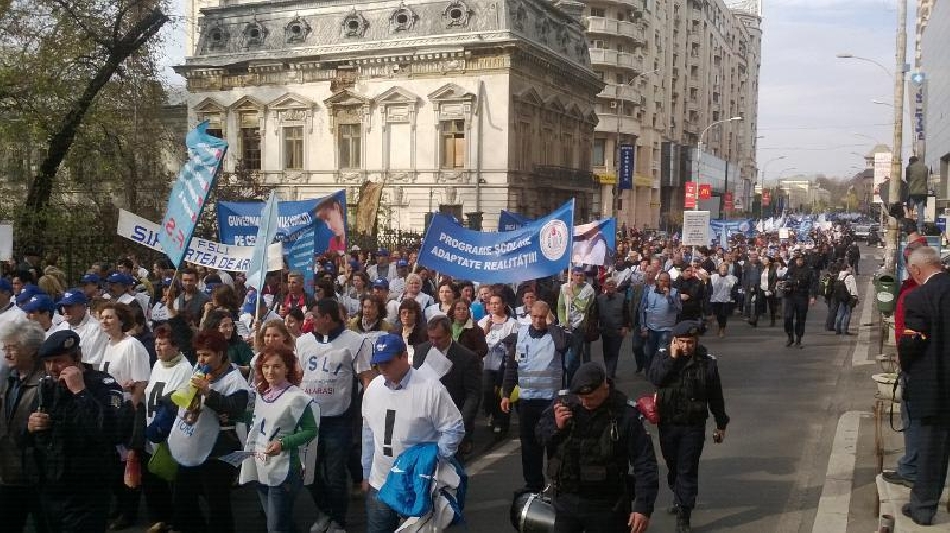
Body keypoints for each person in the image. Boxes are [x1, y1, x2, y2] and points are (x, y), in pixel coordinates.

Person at [360, 333, 465, 533]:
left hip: (416, 486)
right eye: (378, 363)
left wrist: (432, 463)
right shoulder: (373, 388)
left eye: (388, 362)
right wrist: (366, 473)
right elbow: (368, 431)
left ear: (403, 357)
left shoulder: (430, 388)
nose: (382, 368)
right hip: (380, 483)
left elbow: (454, 427)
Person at [538, 362, 659, 533]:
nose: (585, 402)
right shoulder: (564, 405)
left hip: (607, 506)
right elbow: (539, 437)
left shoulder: (625, 415)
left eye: (591, 397)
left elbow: (645, 463)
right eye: (581, 398)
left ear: (605, 387)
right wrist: (556, 427)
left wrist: (643, 507)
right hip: (567, 501)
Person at [29, 330, 124, 533]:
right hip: (52, 488)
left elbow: (110, 431)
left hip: (86, 491)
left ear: (77, 357)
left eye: (59, 361)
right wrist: (31, 426)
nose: (53, 368)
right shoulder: (47, 387)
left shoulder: (102, 385)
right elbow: (34, 437)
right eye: (48, 362)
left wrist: (80, 392)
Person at [297, 299, 374, 533]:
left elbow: (367, 378)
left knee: (335, 474)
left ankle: (338, 522)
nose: (310, 320)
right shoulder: (302, 342)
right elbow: (297, 375)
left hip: (338, 420)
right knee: (308, 472)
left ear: (327, 319)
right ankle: (325, 511)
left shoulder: (356, 342)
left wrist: (370, 413)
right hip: (308, 419)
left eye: (315, 316)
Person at [648, 321, 729, 533]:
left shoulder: (706, 363)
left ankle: (684, 512)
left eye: (690, 342)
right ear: (674, 341)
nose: (686, 346)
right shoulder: (663, 358)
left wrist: (721, 423)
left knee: (687, 467)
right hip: (668, 423)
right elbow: (655, 378)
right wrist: (672, 359)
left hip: (693, 425)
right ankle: (678, 493)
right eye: (682, 342)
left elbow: (715, 396)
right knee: (672, 464)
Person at [167, 330, 251, 533]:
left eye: (206, 355)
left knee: (217, 502)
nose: (201, 359)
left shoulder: (234, 380)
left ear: (220, 354)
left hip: (219, 450)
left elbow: (236, 407)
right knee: (183, 495)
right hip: (193, 442)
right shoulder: (199, 370)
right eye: (199, 354)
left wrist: (209, 393)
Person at [896, 246, 950, 525]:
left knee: (932, 450)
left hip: (936, 388)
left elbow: (911, 343)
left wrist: (905, 365)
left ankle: (924, 507)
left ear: (917, 270)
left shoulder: (918, 298)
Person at [240, 345, 319, 533]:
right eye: (266, 366)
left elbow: (310, 430)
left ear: (287, 368)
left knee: (275, 527)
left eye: (276, 366)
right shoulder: (261, 393)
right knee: (280, 522)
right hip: (260, 464)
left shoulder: (297, 398)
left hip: (284, 469)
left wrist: (284, 444)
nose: (270, 371)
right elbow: (258, 422)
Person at [500, 301, 570, 493]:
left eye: (542, 316)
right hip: (527, 401)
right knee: (530, 446)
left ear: (548, 316)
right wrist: (506, 393)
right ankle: (533, 485)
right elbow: (512, 368)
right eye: (535, 316)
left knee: (554, 445)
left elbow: (563, 346)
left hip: (551, 401)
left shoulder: (556, 335)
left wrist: (552, 324)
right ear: (530, 315)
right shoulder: (520, 335)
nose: (538, 320)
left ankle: (557, 483)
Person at [142, 325, 193, 533]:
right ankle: (161, 519)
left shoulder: (185, 369)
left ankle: (178, 522)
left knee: (174, 481)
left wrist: (162, 427)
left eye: (162, 344)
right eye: (156, 343)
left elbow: (177, 402)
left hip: (170, 433)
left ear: (176, 346)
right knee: (154, 479)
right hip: (151, 426)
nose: (158, 348)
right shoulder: (158, 364)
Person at [0, 319, 49, 533]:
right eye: (4, 348)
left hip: (36, 473)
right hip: (8, 472)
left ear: (31, 350)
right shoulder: (10, 378)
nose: (6, 354)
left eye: (12, 348)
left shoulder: (45, 383)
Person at [413, 317, 481, 457]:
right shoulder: (421, 350)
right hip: (425, 424)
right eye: (431, 338)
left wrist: (462, 421)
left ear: (449, 335)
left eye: (438, 338)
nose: (434, 343)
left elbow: (473, 395)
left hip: (451, 423)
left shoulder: (467, 358)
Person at [478, 293, 519, 439]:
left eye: (497, 303)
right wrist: (486, 330)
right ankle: (493, 415)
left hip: (505, 365)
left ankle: (502, 422)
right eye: (491, 303)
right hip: (488, 364)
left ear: (504, 304)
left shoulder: (512, 323)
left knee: (504, 394)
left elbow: (515, 343)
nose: (494, 306)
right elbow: (477, 341)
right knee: (488, 392)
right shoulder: (483, 321)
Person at [558, 267, 596, 386]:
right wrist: (563, 321)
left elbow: (583, 307)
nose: (579, 277)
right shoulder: (565, 287)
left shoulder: (588, 289)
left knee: (573, 358)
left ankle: (572, 383)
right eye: (576, 275)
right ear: (572, 276)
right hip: (566, 327)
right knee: (563, 357)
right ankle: (564, 382)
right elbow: (560, 307)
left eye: (581, 275)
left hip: (579, 327)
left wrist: (573, 296)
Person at [53, 288, 109, 367]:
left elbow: (94, 363)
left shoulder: (97, 329)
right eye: (63, 306)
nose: (65, 310)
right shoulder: (61, 327)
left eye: (69, 306)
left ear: (83, 307)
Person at [592, 278, 630, 380]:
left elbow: (626, 313)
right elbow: (595, 314)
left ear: (616, 286)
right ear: (604, 286)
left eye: (613, 284)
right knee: (606, 352)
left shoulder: (622, 298)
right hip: (605, 329)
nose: (611, 286)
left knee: (614, 351)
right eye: (609, 284)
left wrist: (625, 327)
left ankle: (609, 374)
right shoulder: (599, 298)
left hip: (618, 330)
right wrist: (595, 327)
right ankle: (611, 371)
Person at [641, 272, 681, 368]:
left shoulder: (675, 293)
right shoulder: (649, 291)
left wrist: (668, 297)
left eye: (666, 281)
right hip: (651, 328)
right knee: (649, 353)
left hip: (666, 329)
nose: (663, 283)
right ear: (657, 281)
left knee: (662, 353)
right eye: (661, 281)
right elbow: (643, 310)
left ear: (669, 282)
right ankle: (649, 372)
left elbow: (678, 309)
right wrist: (643, 327)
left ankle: (659, 373)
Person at [781, 251, 818, 349]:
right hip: (790, 296)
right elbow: (784, 279)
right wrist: (782, 283)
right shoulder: (791, 269)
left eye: (801, 260)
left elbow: (813, 284)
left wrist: (813, 296)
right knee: (787, 317)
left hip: (802, 296)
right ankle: (790, 336)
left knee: (800, 319)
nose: (799, 262)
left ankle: (798, 339)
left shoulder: (808, 271)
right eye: (798, 260)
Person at [708, 263, 737, 338]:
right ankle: (720, 328)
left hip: (726, 300)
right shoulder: (714, 277)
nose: (723, 270)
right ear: (719, 269)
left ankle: (722, 330)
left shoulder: (731, 278)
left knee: (723, 315)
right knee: (718, 315)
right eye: (722, 269)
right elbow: (705, 278)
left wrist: (733, 298)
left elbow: (734, 287)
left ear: (727, 270)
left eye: (725, 269)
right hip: (715, 299)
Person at [906, 155, 929, 233]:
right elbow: (926, 179)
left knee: (910, 208)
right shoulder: (925, 167)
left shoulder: (909, 168)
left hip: (912, 192)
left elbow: (907, 179)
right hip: (923, 192)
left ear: (911, 161)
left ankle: (910, 227)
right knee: (920, 211)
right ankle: (919, 228)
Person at [833, 265, 858, 335]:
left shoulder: (839, 276)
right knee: (847, 313)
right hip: (848, 297)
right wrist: (855, 296)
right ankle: (845, 330)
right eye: (850, 267)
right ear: (847, 268)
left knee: (840, 313)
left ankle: (838, 329)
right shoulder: (850, 277)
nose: (851, 268)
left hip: (841, 297)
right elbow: (853, 288)